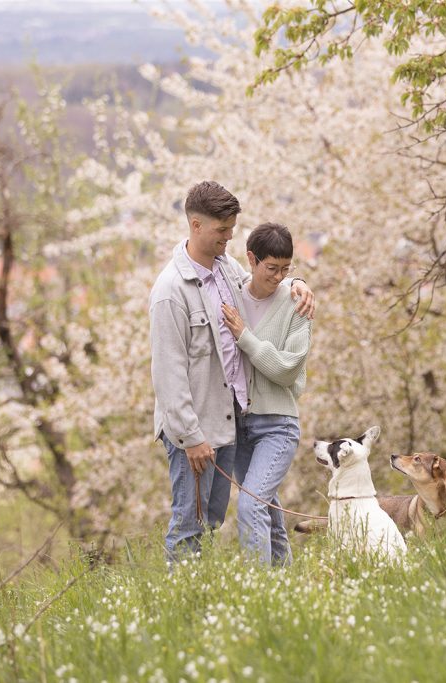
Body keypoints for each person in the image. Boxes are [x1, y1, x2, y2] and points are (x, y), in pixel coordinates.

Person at [149, 181, 314, 562]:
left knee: (210, 523)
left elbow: (264, 283)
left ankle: (264, 586)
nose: (228, 238)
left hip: (228, 427)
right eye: (221, 230)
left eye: (231, 230)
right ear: (195, 225)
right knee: (189, 524)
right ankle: (181, 606)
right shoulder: (171, 291)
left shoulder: (227, 269)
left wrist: (298, 284)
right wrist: (190, 437)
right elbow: (168, 372)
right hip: (194, 432)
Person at [220, 223, 312, 565]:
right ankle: (283, 590)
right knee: (268, 513)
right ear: (251, 260)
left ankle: (259, 590)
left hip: (278, 426)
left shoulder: (296, 304)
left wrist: (246, 337)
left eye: (285, 269)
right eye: (271, 268)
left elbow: (287, 370)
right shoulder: (232, 295)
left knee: (251, 504)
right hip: (241, 427)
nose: (278, 277)